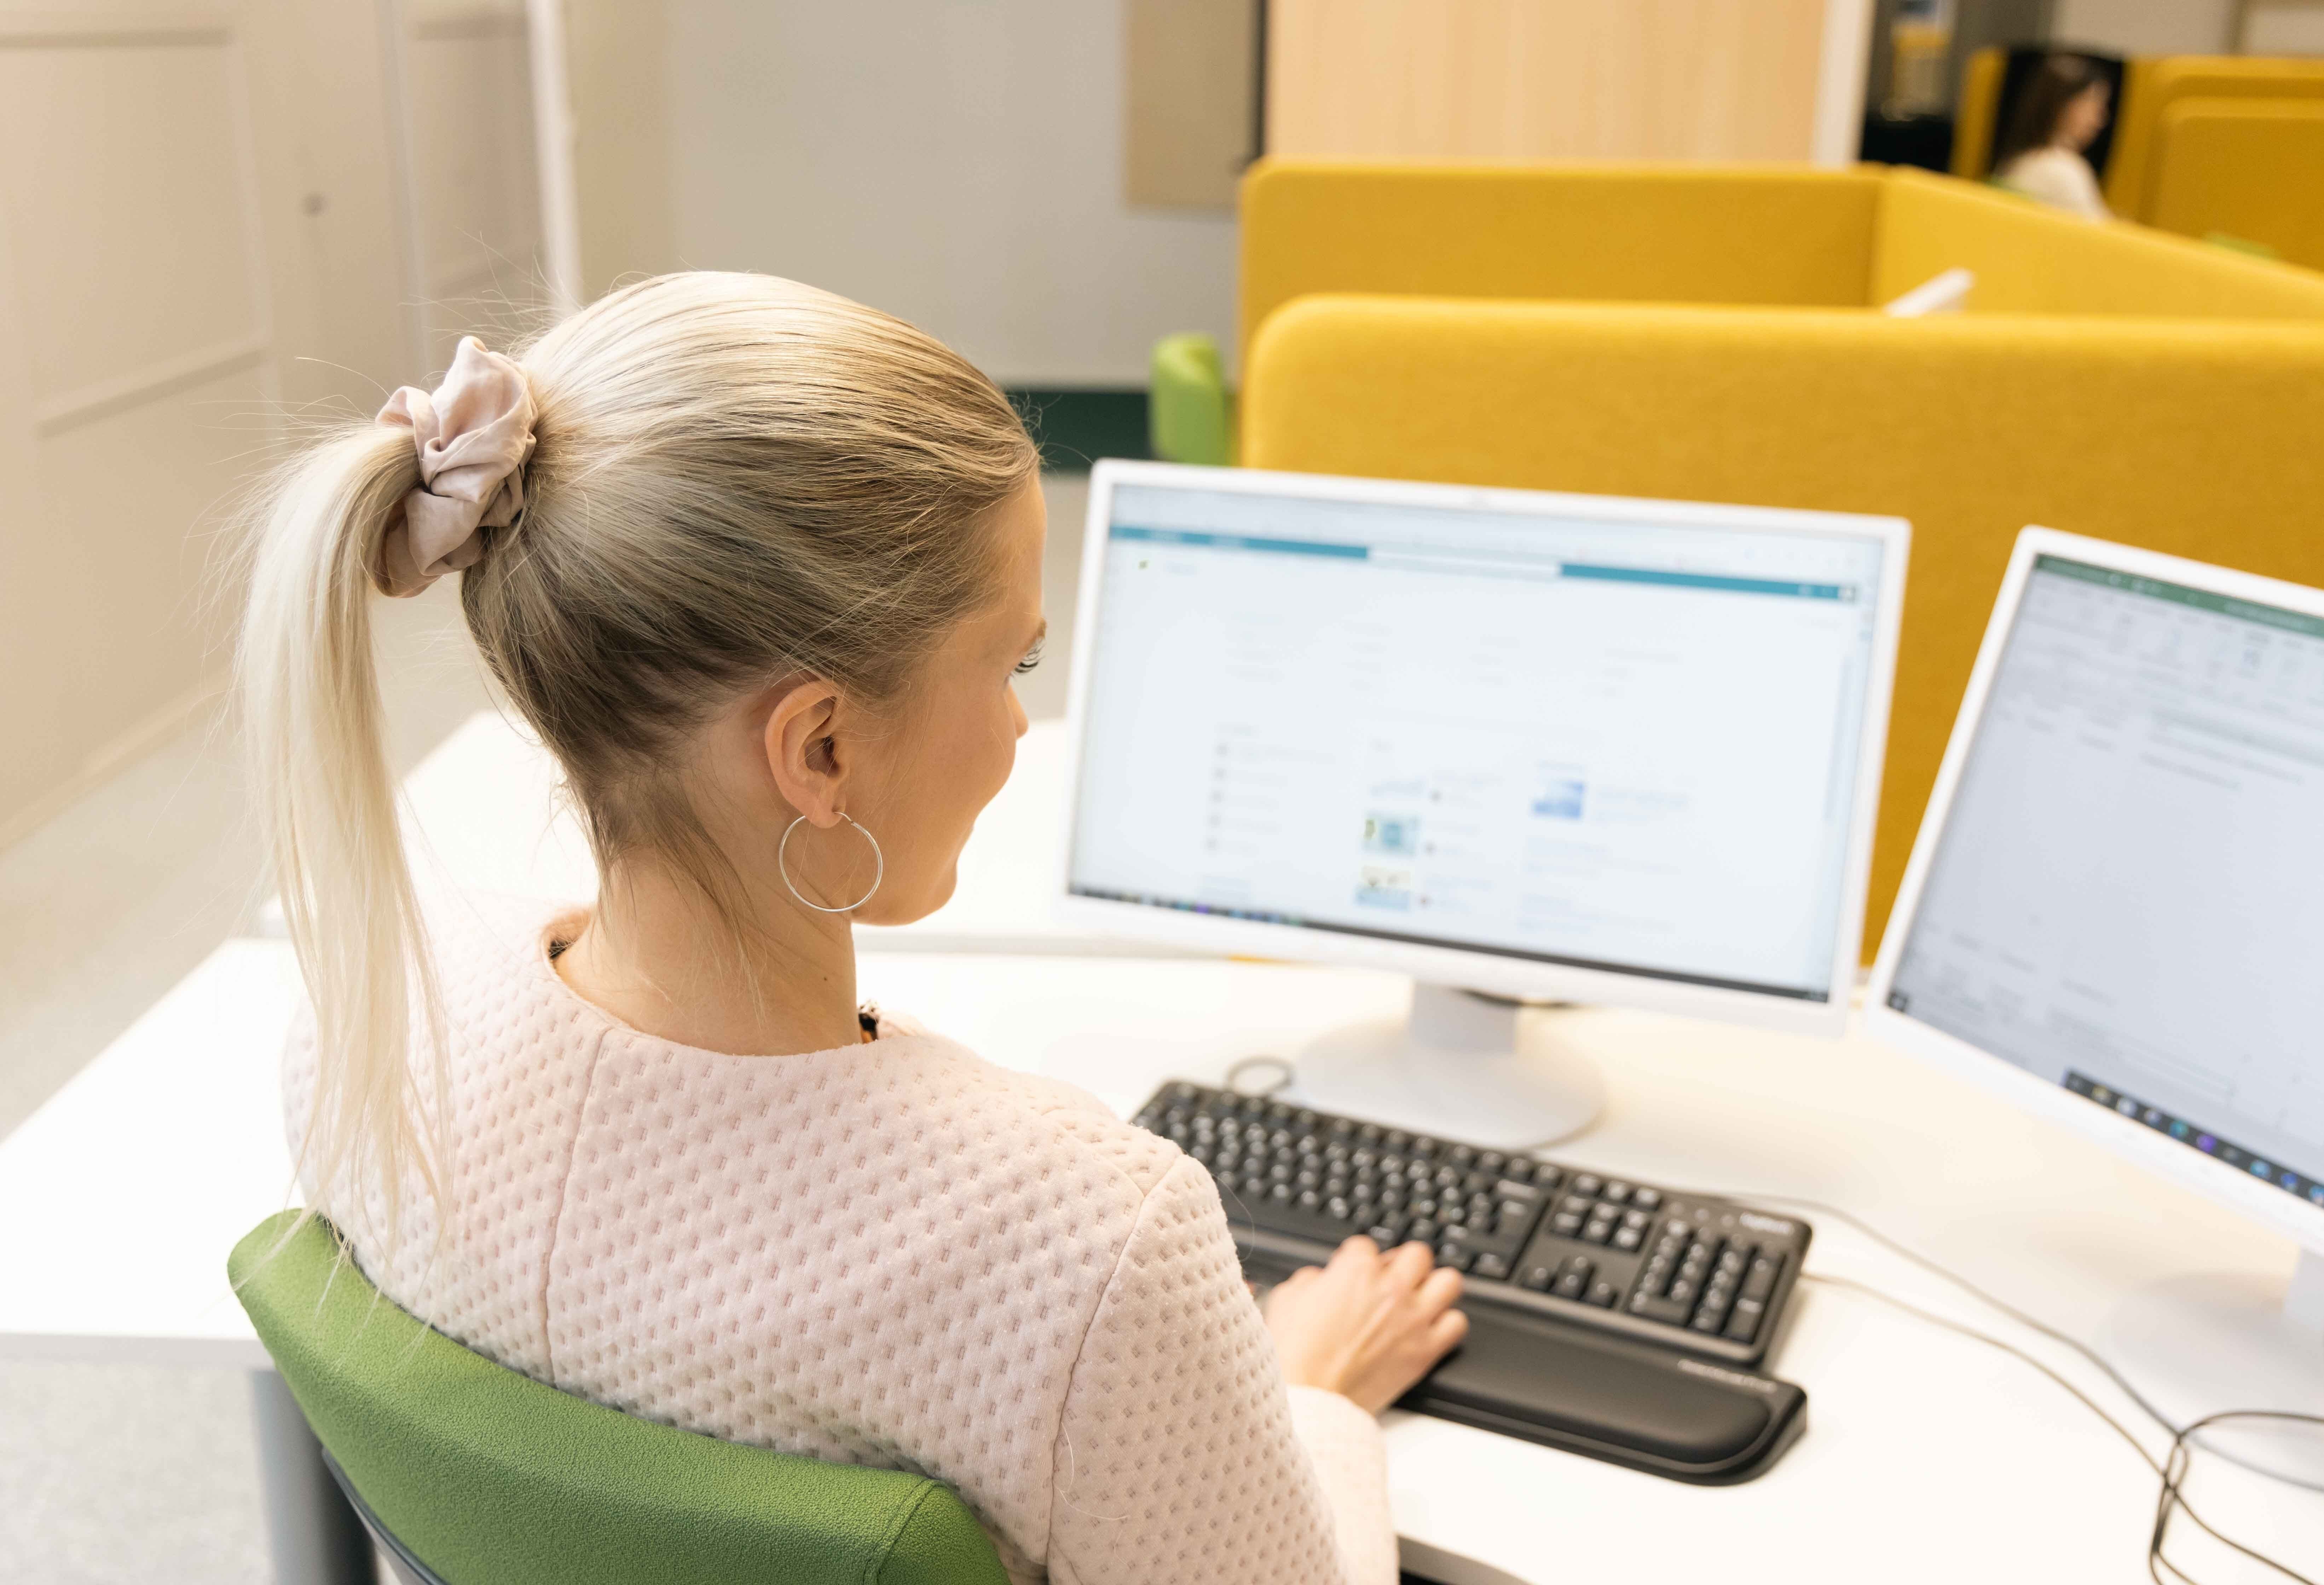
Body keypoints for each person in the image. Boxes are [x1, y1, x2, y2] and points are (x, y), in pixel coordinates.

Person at [240, 271, 1467, 1585]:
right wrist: (1310, 1398)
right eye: (1011, 665)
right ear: (819, 746)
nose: (1015, 728)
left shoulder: (370, 1019)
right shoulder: (1087, 1249)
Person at [1994, 53, 2113, 221]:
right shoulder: (2065, 171)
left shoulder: (2012, 162)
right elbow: (2104, 240)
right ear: (2064, 105)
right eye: (2094, 105)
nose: (2099, 120)